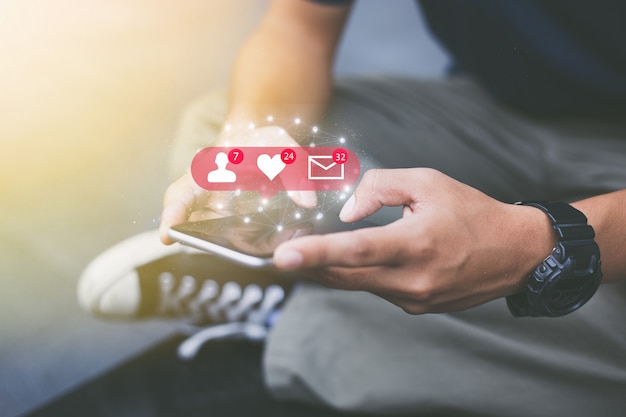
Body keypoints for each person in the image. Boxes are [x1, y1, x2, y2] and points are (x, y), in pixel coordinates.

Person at [79, 0, 626, 415]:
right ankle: (374, 298)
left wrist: (547, 246)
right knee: (217, 126)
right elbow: (299, 27)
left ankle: (303, 320)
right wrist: (255, 141)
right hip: (506, 114)